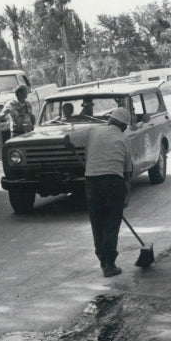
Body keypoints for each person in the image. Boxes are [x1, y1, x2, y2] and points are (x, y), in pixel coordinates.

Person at [64, 105, 133, 278]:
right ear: (124, 126)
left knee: (98, 222)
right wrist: (125, 194)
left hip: (92, 182)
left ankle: (103, 261)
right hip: (114, 183)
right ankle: (109, 264)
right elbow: (127, 172)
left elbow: (67, 139)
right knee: (111, 223)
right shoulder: (125, 140)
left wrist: (73, 148)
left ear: (110, 120)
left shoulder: (93, 131)